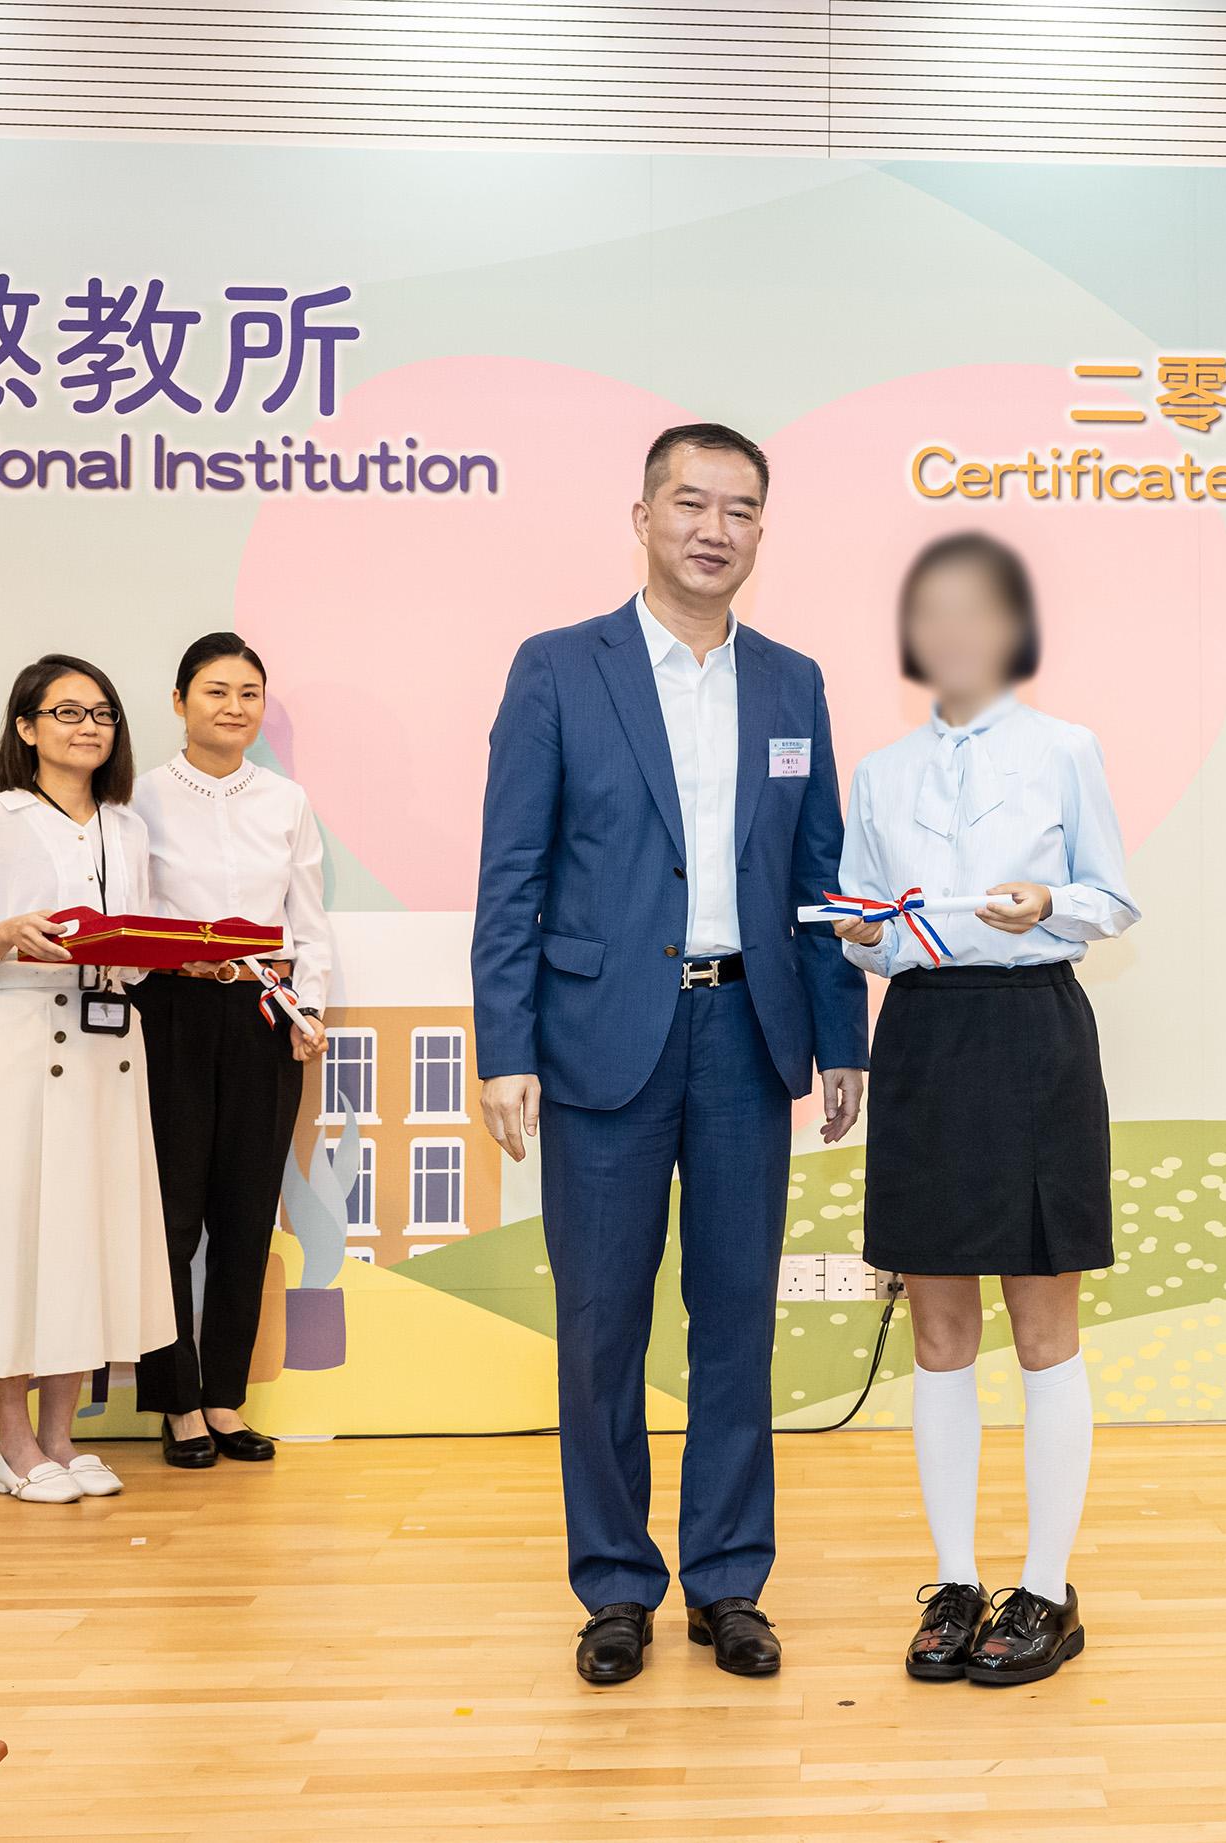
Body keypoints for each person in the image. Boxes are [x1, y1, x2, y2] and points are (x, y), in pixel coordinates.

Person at [473, 422, 870, 1686]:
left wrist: (839, 1033)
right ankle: (614, 1586)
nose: (714, 528)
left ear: (763, 531)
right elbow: (512, 876)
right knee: (599, 1327)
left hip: (748, 1035)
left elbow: (819, 876)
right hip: (598, 1039)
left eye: (739, 509)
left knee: (737, 1321)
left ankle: (727, 1580)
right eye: (690, 503)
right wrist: (504, 1042)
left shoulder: (795, 681)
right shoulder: (556, 668)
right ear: (640, 515)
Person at [831, 532, 1139, 1687]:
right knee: (942, 1327)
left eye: (979, 611)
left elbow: (1112, 896)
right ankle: (956, 1581)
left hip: (1031, 1032)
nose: (955, 631)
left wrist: (1050, 900)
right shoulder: (879, 771)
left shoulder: (1067, 749)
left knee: (1043, 1324)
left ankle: (1047, 1590)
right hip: (921, 1040)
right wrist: (860, 929)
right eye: (935, 612)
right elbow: (862, 912)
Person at [0, 655, 175, 1505]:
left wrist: (181, 960)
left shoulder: (128, 828)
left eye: (101, 712)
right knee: (13, 1237)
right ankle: (15, 1443)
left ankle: (64, 1437)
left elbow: (138, 945)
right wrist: (10, 932)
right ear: (25, 727)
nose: (89, 726)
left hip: (109, 1047)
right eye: (66, 712)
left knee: (86, 1239)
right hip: (22, 1045)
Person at [130, 632, 330, 1469]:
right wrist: (174, 959)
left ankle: (224, 1399)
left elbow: (308, 917)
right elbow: (128, 919)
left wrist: (306, 1008)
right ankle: (176, 1404)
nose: (234, 706)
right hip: (170, 1013)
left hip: (262, 1012)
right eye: (216, 691)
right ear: (180, 702)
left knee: (247, 1216)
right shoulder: (136, 798)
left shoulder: (285, 800)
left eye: (249, 693)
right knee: (170, 1218)